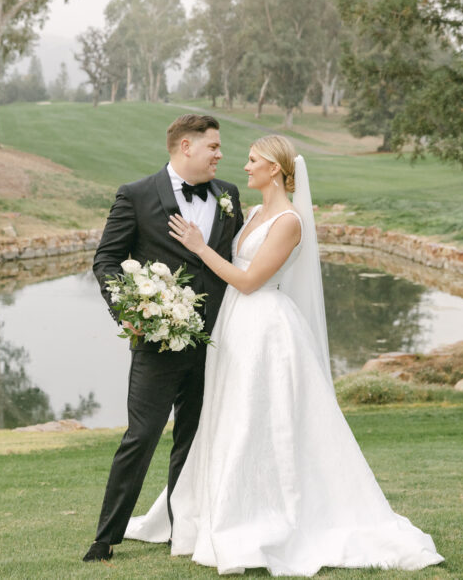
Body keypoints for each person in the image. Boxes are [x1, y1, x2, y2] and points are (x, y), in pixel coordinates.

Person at [125, 135, 444, 575]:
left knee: (259, 416)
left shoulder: (290, 221)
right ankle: (213, 510)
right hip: (234, 325)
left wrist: (200, 247)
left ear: (275, 169)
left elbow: (250, 279)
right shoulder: (253, 213)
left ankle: (263, 513)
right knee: (229, 415)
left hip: (266, 329)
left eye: (253, 160)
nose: (246, 166)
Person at [82, 114, 245, 563]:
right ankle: (105, 538)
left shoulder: (228, 195)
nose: (220, 154)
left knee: (193, 440)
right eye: (213, 146)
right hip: (157, 341)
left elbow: (233, 260)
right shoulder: (135, 195)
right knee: (142, 435)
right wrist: (129, 311)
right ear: (185, 147)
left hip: (215, 342)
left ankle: (184, 530)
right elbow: (107, 260)